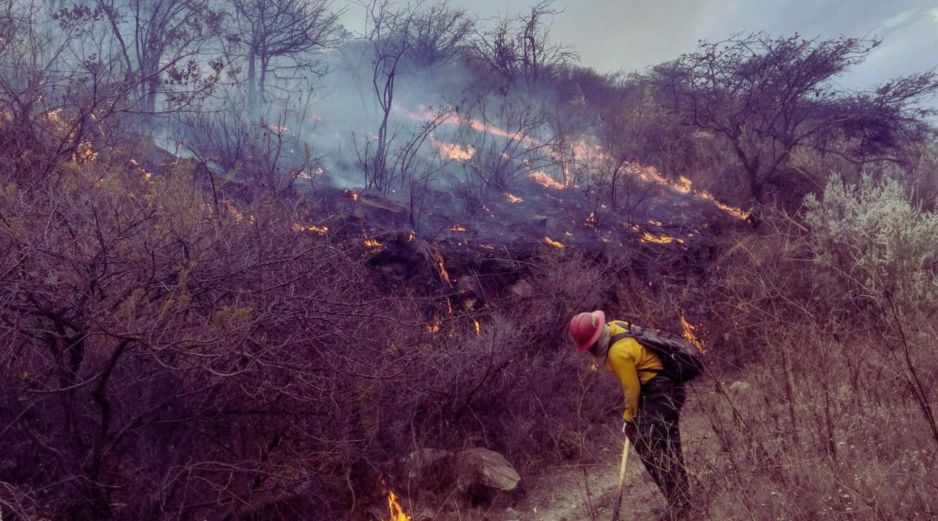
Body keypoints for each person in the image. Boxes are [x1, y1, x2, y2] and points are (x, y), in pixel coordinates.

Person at [569, 310, 691, 520]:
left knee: (648, 445)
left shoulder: (617, 353)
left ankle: (679, 505)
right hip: (665, 388)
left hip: (662, 391)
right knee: (667, 443)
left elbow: (631, 390)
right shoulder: (615, 326)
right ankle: (680, 502)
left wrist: (629, 418)